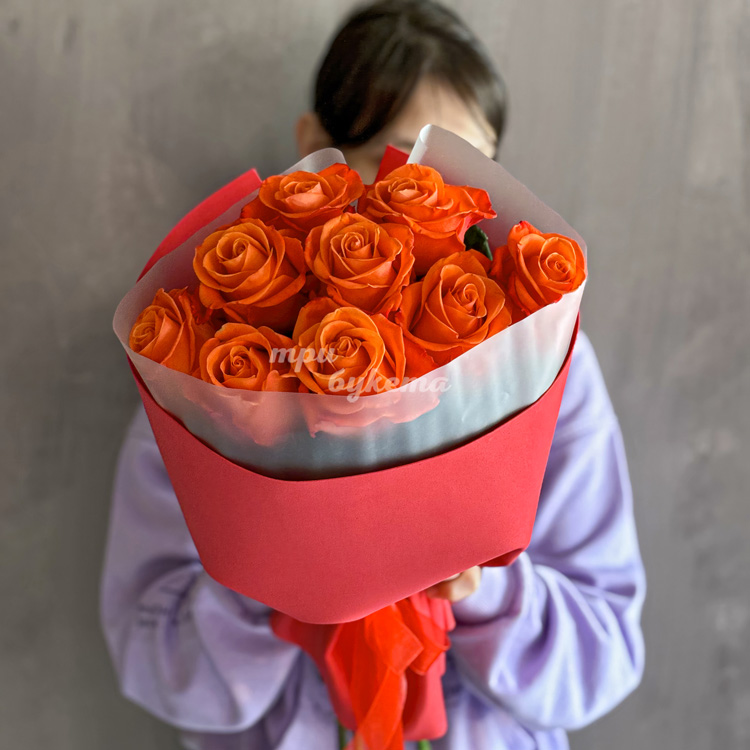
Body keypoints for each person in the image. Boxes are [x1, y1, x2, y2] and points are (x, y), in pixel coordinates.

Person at [100, 2, 646, 749]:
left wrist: (481, 585)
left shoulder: (551, 368)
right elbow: (151, 658)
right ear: (313, 150)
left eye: (460, 170)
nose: (424, 203)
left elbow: (606, 655)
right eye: (394, 162)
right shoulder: (207, 376)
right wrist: (273, 572)